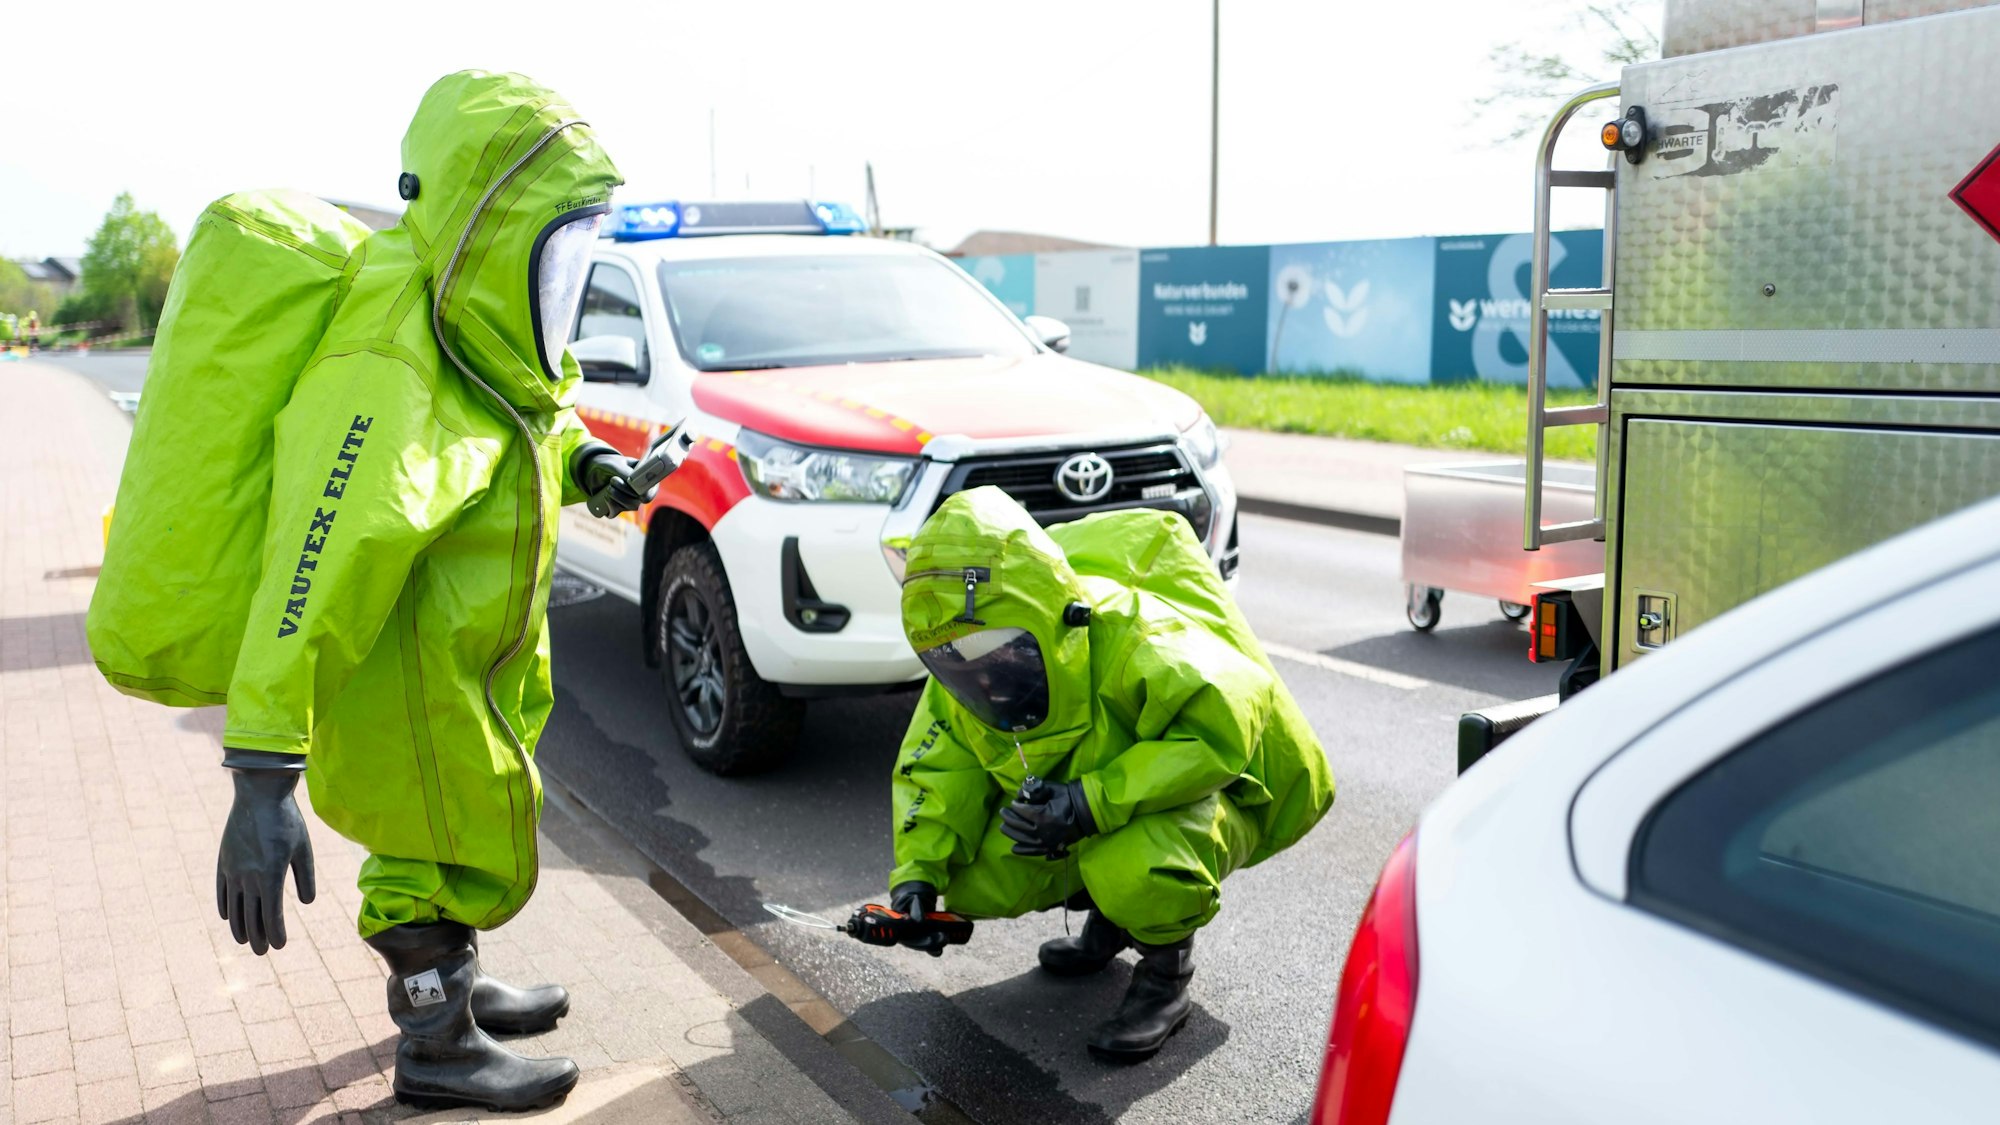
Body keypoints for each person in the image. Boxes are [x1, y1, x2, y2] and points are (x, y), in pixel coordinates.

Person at [209, 71, 659, 1111]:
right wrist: (261, 769)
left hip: (462, 667)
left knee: (450, 831)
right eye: (556, 239)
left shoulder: (470, 317)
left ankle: (452, 991)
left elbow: (519, 410)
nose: (566, 272)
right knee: (423, 843)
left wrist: (587, 462)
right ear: (490, 224)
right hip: (408, 674)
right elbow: (312, 557)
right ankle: (437, 1045)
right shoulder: (388, 362)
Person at [888, 487, 1336, 1061]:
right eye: (965, 662)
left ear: (1050, 619)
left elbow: (1223, 727)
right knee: (970, 876)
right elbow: (937, 769)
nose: (989, 678)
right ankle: (1110, 921)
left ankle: (1163, 979)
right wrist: (917, 880)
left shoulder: (1131, 628)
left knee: (1133, 863)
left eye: (1003, 652)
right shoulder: (961, 662)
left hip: (1222, 793)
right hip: (1090, 809)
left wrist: (1086, 803)